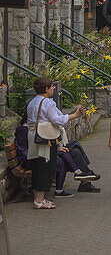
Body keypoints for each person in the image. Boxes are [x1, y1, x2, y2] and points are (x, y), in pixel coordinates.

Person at [26, 76, 86, 209]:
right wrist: (74, 116)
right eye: (52, 86)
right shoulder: (48, 103)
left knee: (37, 167)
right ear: (46, 89)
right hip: (45, 139)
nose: (53, 88)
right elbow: (57, 120)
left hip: (34, 138)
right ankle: (40, 201)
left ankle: (38, 198)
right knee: (46, 168)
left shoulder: (32, 102)